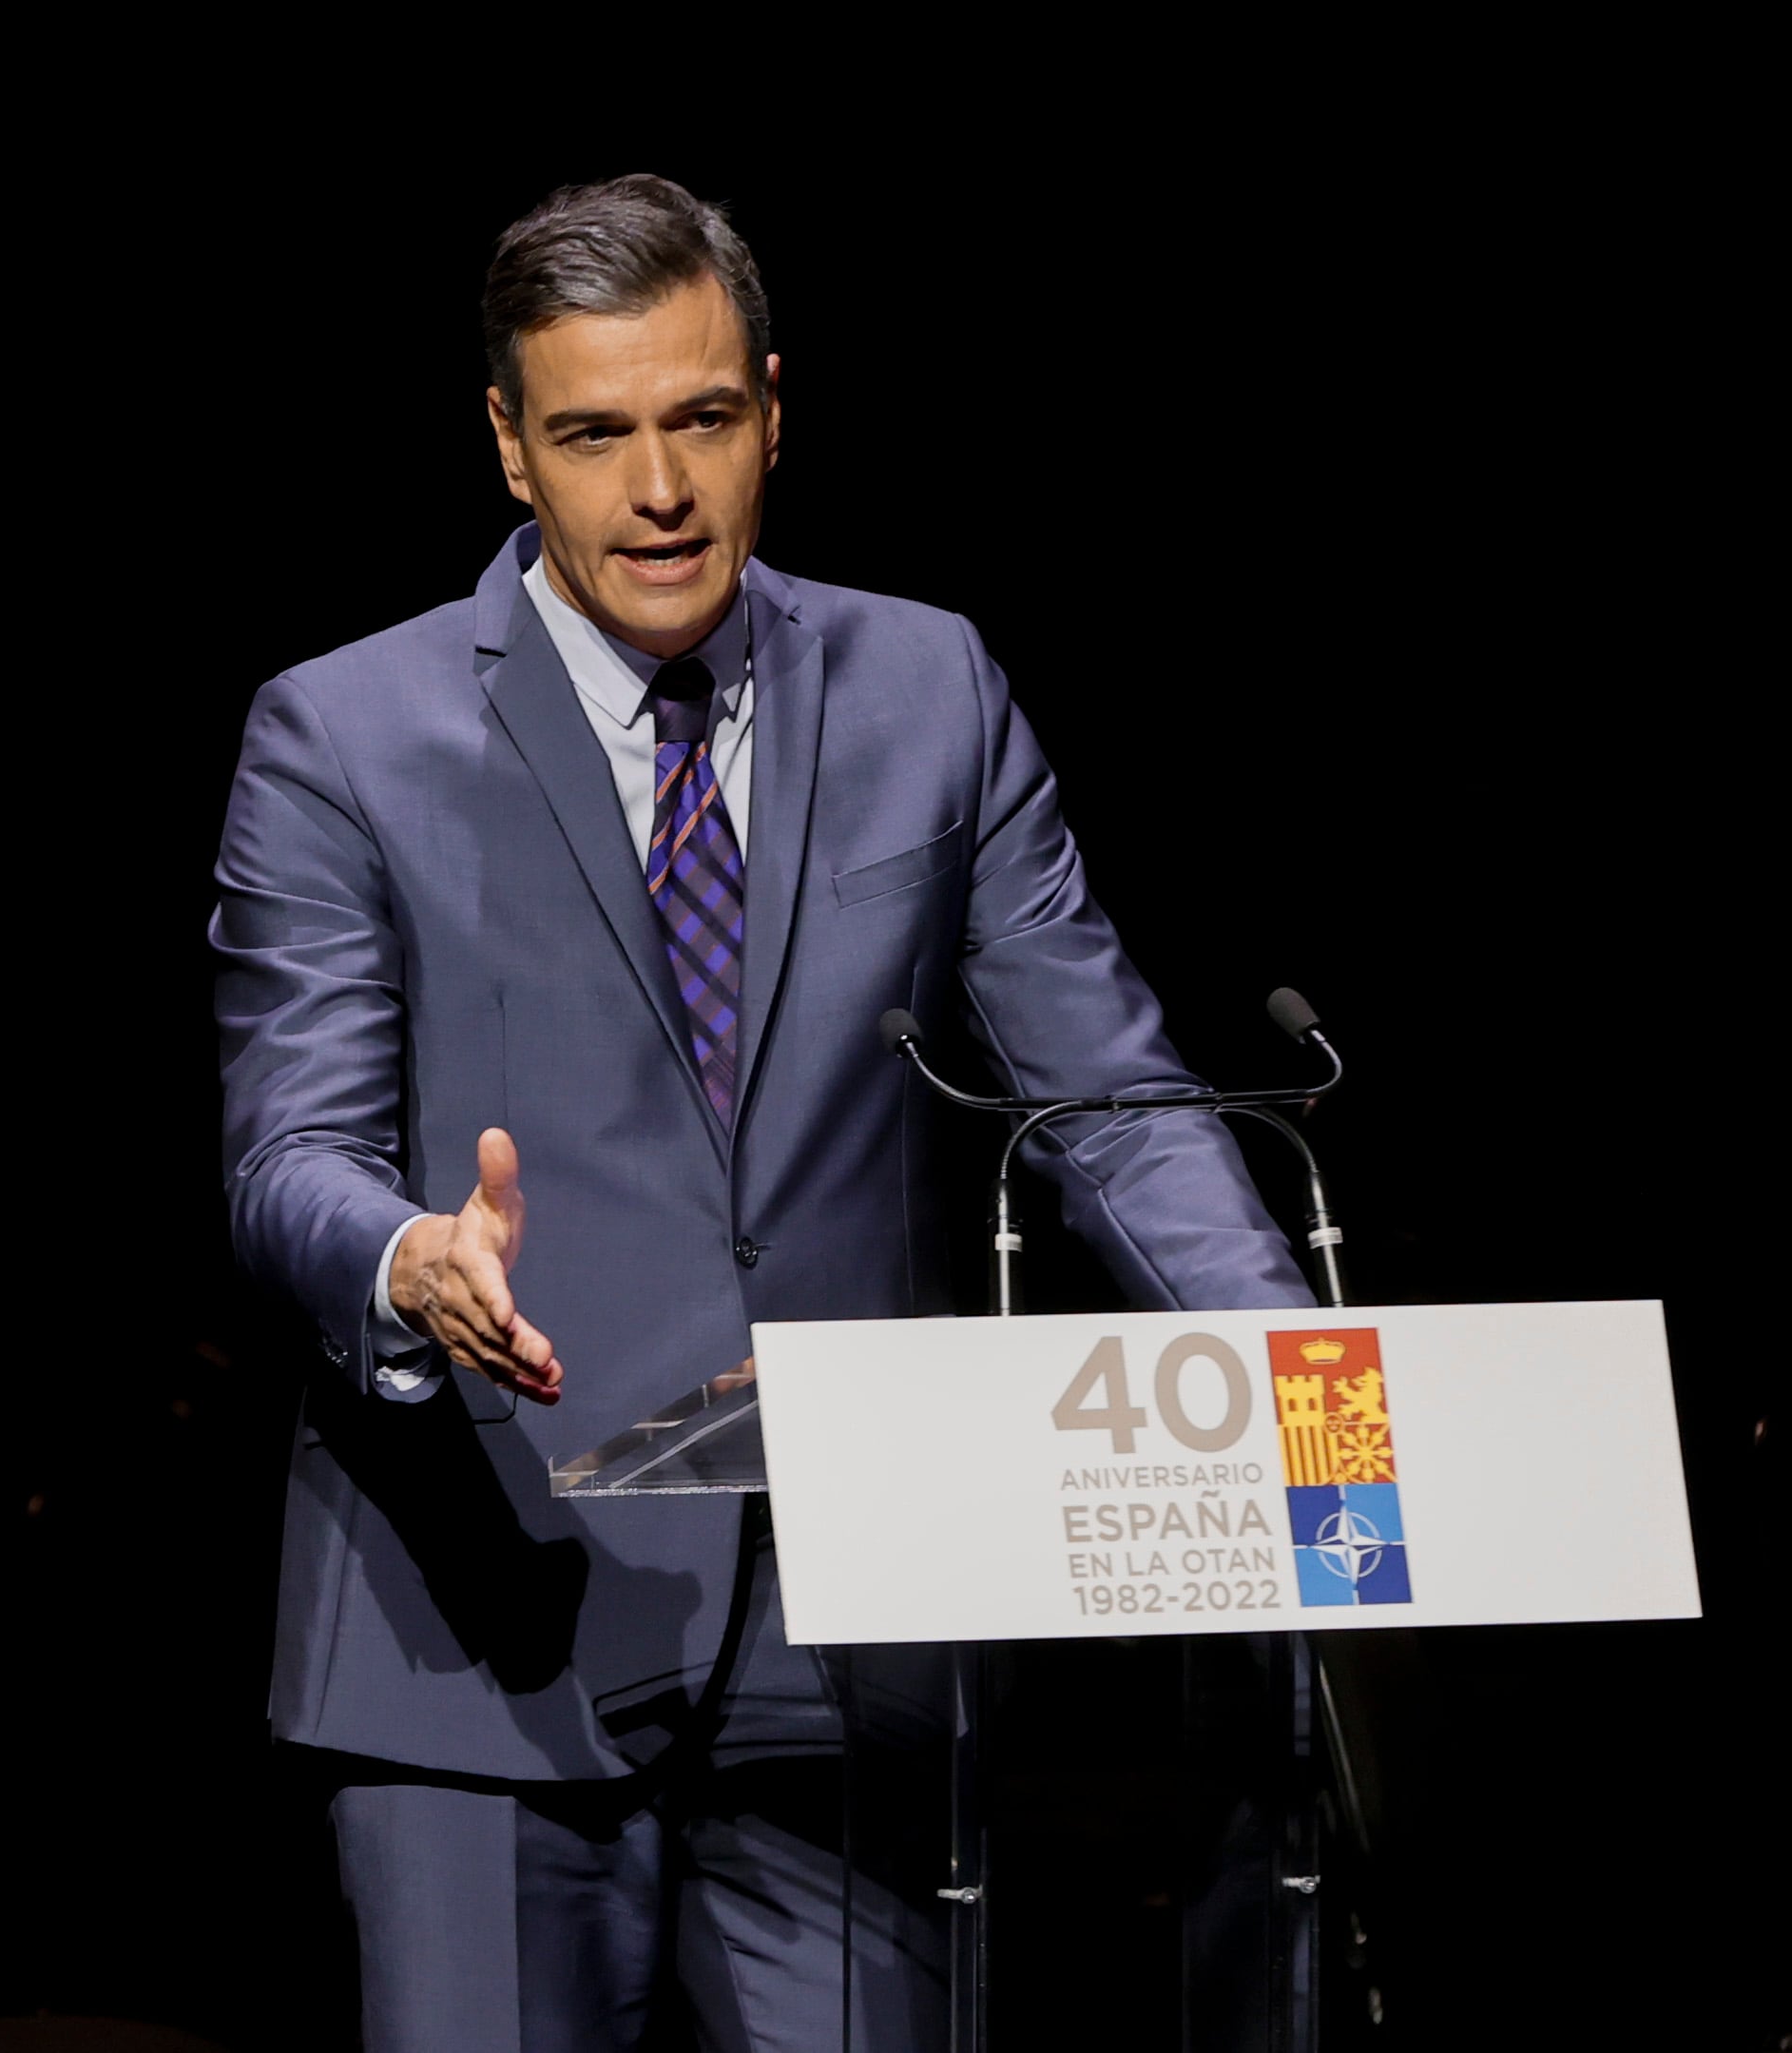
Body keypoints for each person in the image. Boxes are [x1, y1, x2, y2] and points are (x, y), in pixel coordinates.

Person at [209, 173, 1312, 2049]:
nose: (661, 490)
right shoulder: (345, 733)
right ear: (507, 444)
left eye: (704, 420)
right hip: (480, 1651)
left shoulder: (925, 687)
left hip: (850, 1645)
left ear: (774, 408)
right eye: (596, 434)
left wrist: (1301, 1374)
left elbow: (1108, 1098)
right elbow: (284, 1157)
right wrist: (410, 1257)